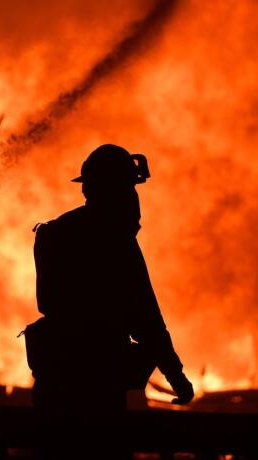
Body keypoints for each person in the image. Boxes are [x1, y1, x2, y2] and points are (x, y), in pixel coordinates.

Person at [28, 143, 194, 414]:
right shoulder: (115, 241)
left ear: (86, 188)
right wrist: (176, 376)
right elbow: (147, 319)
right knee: (101, 454)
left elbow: (48, 303)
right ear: (115, 191)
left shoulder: (54, 234)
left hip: (55, 379)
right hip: (99, 383)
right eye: (129, 188)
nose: (133, 197)